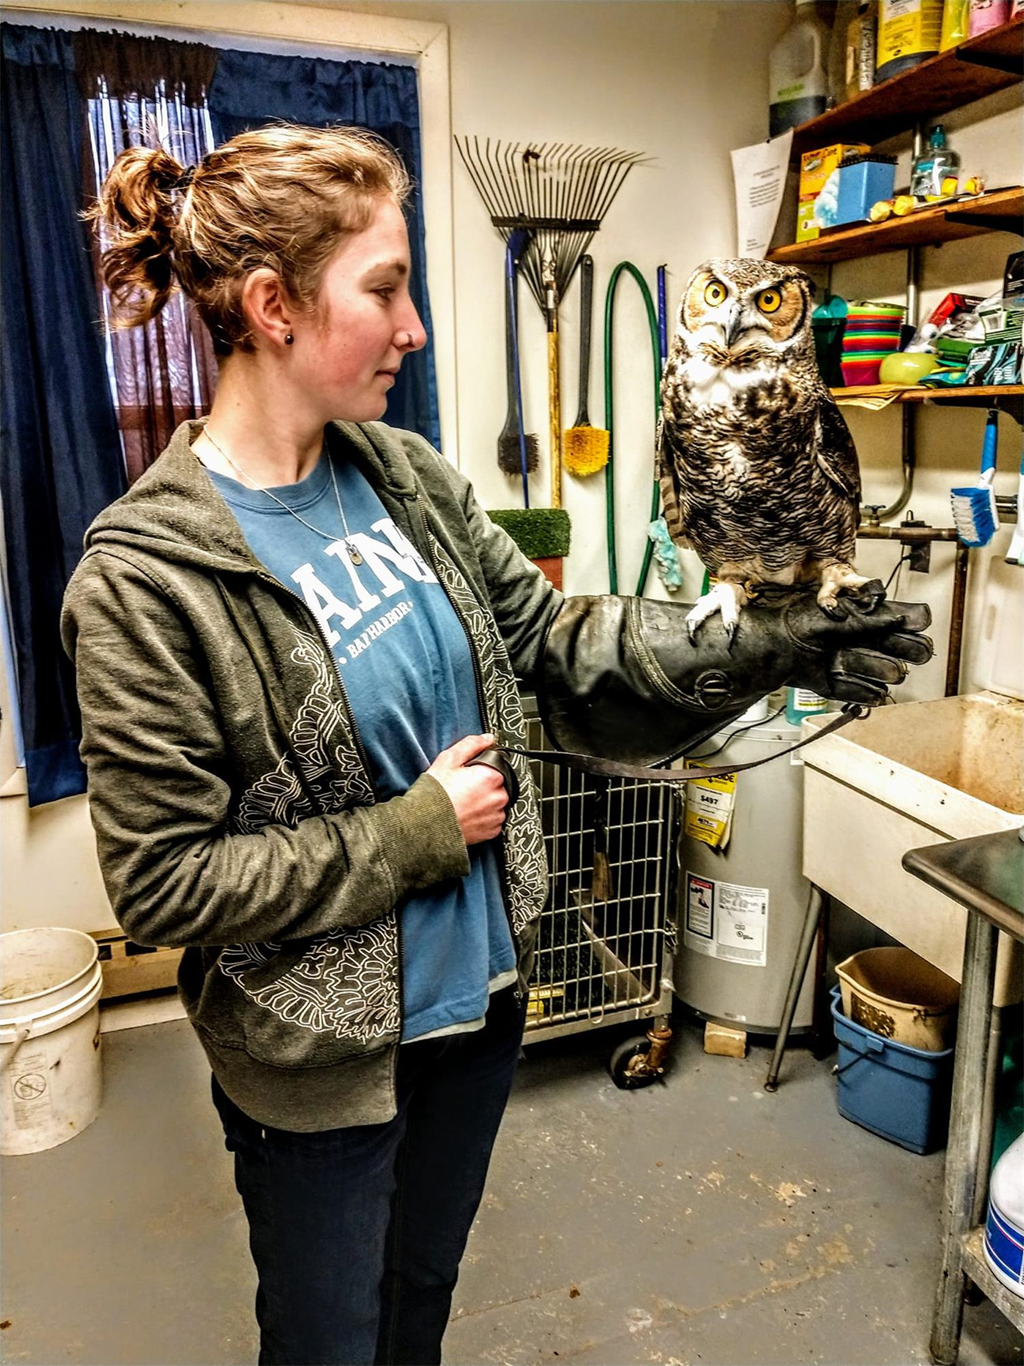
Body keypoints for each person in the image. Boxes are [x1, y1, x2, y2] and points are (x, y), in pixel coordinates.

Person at [62, 123, 932, 1366]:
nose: (413, 326)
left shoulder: (405, 478)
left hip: (477, 1007)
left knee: (419, 1297)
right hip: (320, 1062)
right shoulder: (147, 581)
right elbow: (162, 883)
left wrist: (766, 643)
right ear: (272, 308)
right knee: (325, 1341)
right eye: (385, 287)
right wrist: (417, 832)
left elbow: (550, 643)